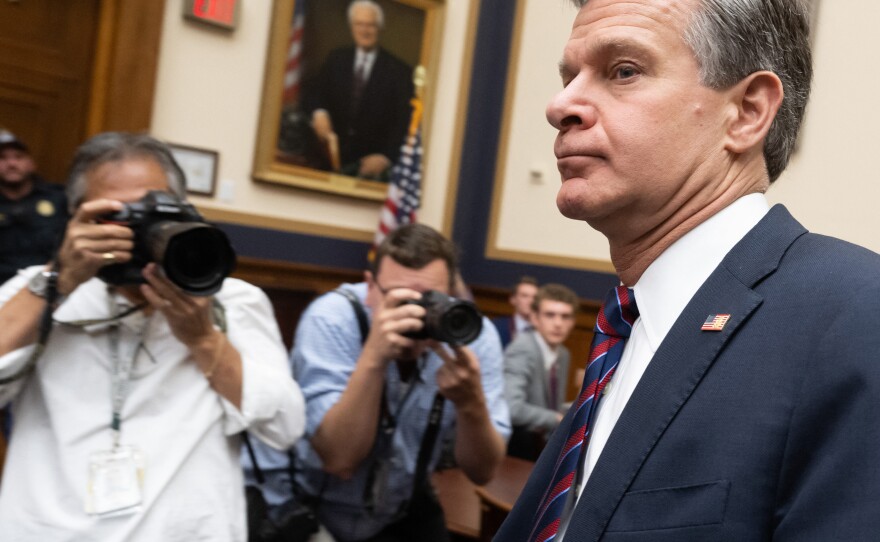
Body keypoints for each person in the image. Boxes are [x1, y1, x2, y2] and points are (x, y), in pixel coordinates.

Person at [498, 0, 880, 540]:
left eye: (623, 71)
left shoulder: (858, 316)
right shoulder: (629, 325)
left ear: (747, 112)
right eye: (569, 76)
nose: (561, 104)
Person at [0, 132, 306, 541]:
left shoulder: (231, 300)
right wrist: (58, 281)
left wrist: (203, 339)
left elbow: (285, 426)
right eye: (116, 217)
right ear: (75, 218)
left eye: (151, 213)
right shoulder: (35, 291)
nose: (136, 234)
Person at [289, 223, 510, 541]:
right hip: (315, 507)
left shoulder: (470, 334)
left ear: (450, 295)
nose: (414, 314)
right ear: (369, 288)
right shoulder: (333, 319)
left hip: (405, 507)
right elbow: (339, 459)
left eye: (428, 300)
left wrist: (470, 404)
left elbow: (482, 472)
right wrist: (374, 358)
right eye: (397, 298)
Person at [301, 0, 414, 180]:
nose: (364, 30)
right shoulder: (336, 59)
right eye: (359, 24)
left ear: (380, 28)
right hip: (326, 163)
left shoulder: (399, 71)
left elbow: (405, 123)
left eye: (370, 25)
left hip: (369, 170)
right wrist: (319, 113)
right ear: (351, 26)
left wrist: (386, 157)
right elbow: (313, 94)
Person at [503, 283, 577, 460]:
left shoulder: (563, 353)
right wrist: (557, 419)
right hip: (515, 447)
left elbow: (550, 405)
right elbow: (511, 408)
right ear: (534, 318)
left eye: (565, 316)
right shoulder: (523, 348)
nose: (558, 323)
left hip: (542, 443)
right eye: (550, 315)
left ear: (573, 322)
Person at [0, 130, 69, 285]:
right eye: (2, 158)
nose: (11, 164)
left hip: (49, 284)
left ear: (31, 164)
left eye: (18, 157)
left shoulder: (59, 198)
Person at [492, 276, 538, 348]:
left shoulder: (543, 330)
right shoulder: (497, 327)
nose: (531, 301)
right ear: (513, 299)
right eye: (525, 296)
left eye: (535, 297)